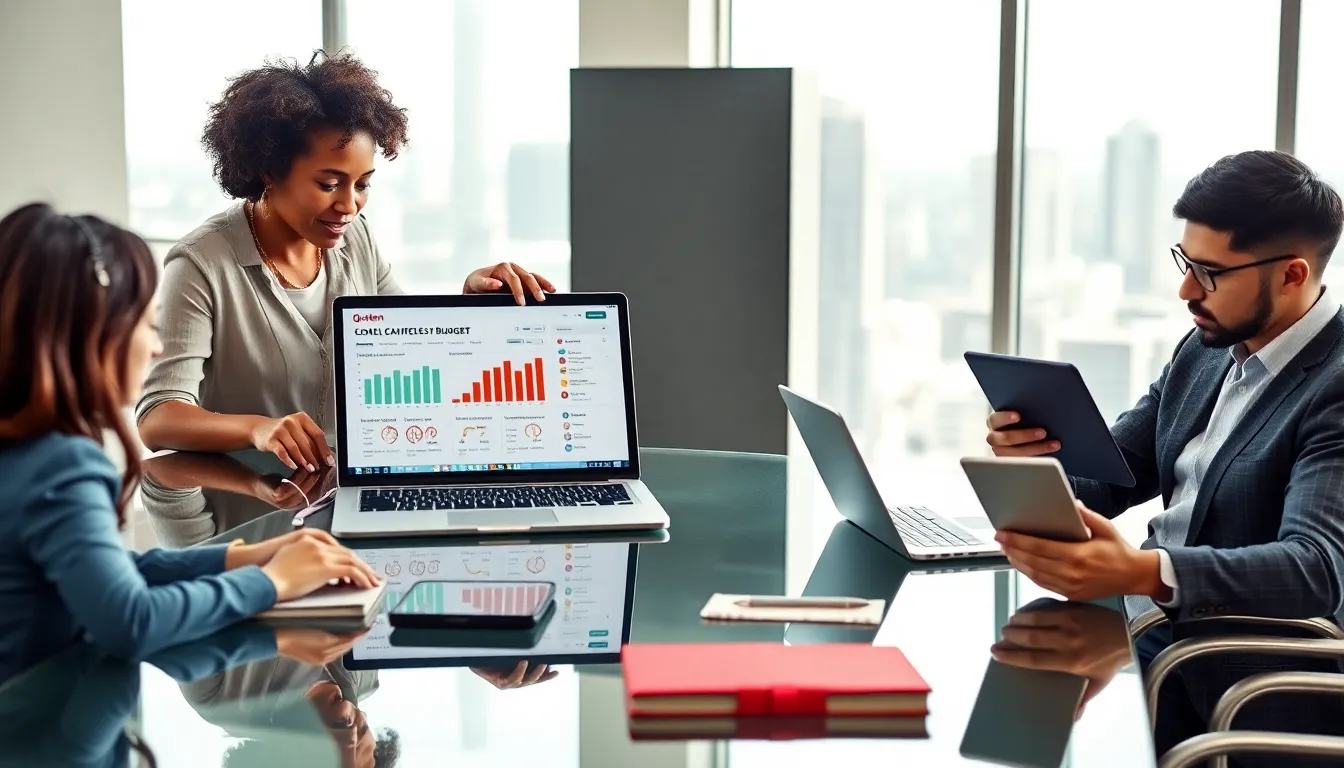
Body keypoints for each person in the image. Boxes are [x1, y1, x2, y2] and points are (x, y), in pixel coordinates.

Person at [983, 150, 1344, 756]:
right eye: (1184, 262)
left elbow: (1315, 569)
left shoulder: (1334, 384)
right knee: (1000, 694)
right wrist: (1034, 459)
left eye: (1209, 273)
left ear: (1292, 274)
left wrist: (1143, 572)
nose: (1185, 290)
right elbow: (1112, 474)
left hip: (1227, 669)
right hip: (1144, 627)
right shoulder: (1208, 347)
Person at [0, 203, 382, 683]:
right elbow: (132, 621)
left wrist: (246, 556)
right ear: (87, 336)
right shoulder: (63, 466)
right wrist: (272, 582)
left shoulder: (25, 453)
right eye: (144, 323)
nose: (156, 346)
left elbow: (116, 572)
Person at [136, 51, 556, 471]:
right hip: (252, 506)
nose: (349, 205)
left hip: (349, 487)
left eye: (363, 184)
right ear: (270, 170)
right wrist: (258, 429)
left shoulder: (356, 239)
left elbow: (408, 347)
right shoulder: (200, 263)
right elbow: (158, 418)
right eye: (329, 183)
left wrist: (469, 301)